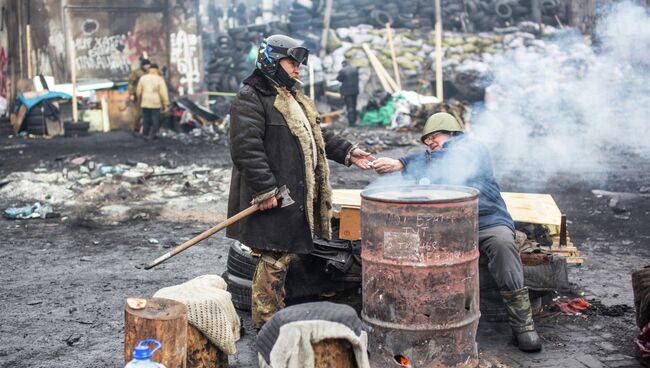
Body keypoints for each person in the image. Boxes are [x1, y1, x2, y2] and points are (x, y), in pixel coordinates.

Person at [226, 34, 375, 329]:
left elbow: (317, 136)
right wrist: (265, 188)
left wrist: (349, 152)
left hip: (295, 194)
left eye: (298, 64)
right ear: (270, 61)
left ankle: (276, 316)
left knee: (283, 255)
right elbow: (246, 148)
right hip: (275, 195)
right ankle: (267, 325)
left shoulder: (293, 97)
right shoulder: (252, 97)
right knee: (274, 258)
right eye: (291, 62)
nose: (297, 69)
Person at [372, 112, 542, 352]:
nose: (430, 142)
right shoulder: (431, 158)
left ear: (452, 133)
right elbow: (430, 162)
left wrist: (404, 161)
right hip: (448, 225)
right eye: (426, 139)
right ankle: (427, 320)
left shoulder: (471, 148)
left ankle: (523, 325)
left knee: (503, 246)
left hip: (486, 220)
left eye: (434, 136)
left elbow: (446, 159)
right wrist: (402, 164)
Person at [136, 63, 170, 141]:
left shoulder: (143, 78)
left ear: (149, 69)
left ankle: (145, 134)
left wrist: (139, 99)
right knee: (155, 119)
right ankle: (154, 135)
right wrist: (166, 103)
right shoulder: (159, 79)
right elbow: (163, 92)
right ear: (157, 69)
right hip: (155, 102)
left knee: (146, 119)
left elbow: (138, 91)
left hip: (145, 102)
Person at [127, 58, 151, 133]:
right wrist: (131, 94)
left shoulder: (151, 72)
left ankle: (147, 128)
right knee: (139, 112)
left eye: (148, 64)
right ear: (142, 65)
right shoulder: (137, 72)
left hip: (150, 94)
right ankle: (134, 127)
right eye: (146, 65)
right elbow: (131, 83)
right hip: (139, 94)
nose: (147, 66)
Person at [336, 60, 359, 127]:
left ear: (343, 64)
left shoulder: (343, 71)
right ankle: (354, 121)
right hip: (355, 90)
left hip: (347, 91)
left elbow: (339, 79)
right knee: (354, 105)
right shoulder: (355, 69)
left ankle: (351, 123)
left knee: (350, 106)